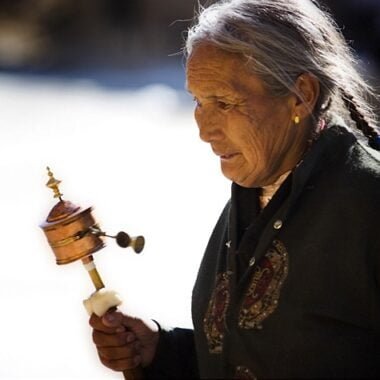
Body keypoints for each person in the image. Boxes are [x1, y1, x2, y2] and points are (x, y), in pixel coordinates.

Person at [89, 0, 380, 378]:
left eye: (224, 103)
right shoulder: (253, 193)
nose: (204, 130)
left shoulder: (367, 202)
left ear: (301, 95)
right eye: (198, 100)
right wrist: (162, 351)